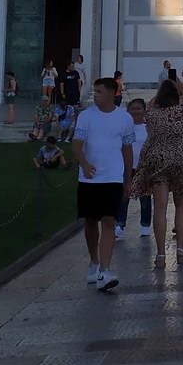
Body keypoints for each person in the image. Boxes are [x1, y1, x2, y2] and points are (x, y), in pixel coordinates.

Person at [72, 77, 135, 293]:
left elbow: (127, 150)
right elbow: (77, 145)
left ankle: (105, 271)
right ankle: (94, 261)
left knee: (109, 220)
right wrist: (84, 164)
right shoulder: (85, 117)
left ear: (111, 93)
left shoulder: (124, 119)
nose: (95, 95)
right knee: (91, 221)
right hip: (89, 179)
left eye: (99, 91)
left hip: (113, 178)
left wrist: (128, 179)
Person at [130, 78, 183, 267]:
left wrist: (160, 91)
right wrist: (182, 90)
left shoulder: (151, 111)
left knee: (160, 207)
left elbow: (149, 104)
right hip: (181, 160)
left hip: (158, 160)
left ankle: (160, 255)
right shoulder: (182, 111)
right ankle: (181, 250)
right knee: (181, 205)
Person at [120, 96, 153, 236]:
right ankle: (120, 224)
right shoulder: (124, 128)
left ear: (144, 110)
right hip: (126, 166)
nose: (136, 111)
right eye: (133, 109)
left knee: (145, 196)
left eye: (139, 108)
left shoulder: (149, 128)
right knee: (123, 196)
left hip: (144, 167)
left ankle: (145, 225)